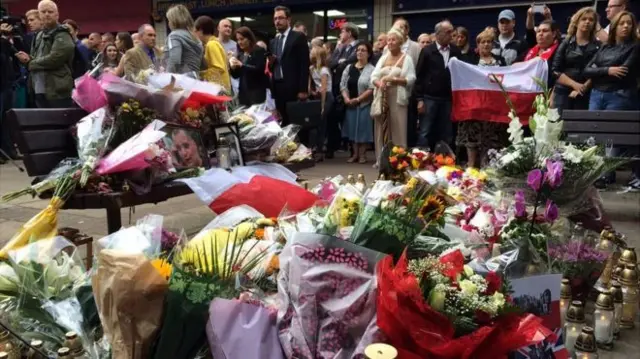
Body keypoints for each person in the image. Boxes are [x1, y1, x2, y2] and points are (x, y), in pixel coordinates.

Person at [456, 30, 508, 168]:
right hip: (475, 105)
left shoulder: (500, 61)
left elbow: (505, 79)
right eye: (483, 42)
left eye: (489, 42)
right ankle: (471, 166)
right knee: (472, 137)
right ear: (478, 44)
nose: (486, 44)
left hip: (493, 106)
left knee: (490, 138)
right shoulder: (469, 60)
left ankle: (487, 166)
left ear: (493, 44)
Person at [15, 0, 75, 108]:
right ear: (39, 14)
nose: (46, 14)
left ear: (57, 15)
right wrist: (27, 58)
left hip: (57, 90)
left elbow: (55, 59)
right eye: (43, 12)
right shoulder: (39, 35)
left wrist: (30, 63)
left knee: (59, 123)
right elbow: (38, 59)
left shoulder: (62, 33)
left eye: (50, 11)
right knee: (43, 123)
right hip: (38, 88)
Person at [371, 27, 416, 164]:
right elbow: (374, 76)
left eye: (393, 40)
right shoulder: (383, 58)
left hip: (398, 96)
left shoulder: (407, 58)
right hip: (382, 95)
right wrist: (379, 83)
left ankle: (400, 159)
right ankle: (382, 158)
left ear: (400, 42)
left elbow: (411, 78)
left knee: (398, 127)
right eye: (388, 40)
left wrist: (394, 80)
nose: (390, 42)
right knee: (381, 128)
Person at [415, 20, 461, 149]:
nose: (452, 35)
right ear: (438, 34)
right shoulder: (428, 51)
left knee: (447, 131)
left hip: (448, 98)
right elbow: (419, 76)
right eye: (448, 32)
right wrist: (419, 99)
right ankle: (421, 157)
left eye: (452, 31)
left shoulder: (456, 51)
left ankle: (446, 158)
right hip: (429, 97)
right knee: (425, 130)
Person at [584, 11, 638, 111]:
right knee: (592, 125)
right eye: (621, 23)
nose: (626, 26)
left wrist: (597, 72)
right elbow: (587, 70)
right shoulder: (605, 46)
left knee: (610, 126)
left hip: (619, 95)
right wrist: (608, 70)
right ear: (614, 26)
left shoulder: (635, 46)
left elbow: (622, 73)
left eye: (629, 23)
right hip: (596, 94)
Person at [551, 7, 600, 113]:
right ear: (577, 22)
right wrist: (574, 85)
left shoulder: (598, 46)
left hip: (585, 92)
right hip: (562, 91)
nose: (587, 22)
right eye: (584, 19)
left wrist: (582, 88)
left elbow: (598, 70)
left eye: (591, 20)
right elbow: (555, 70)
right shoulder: (565, 43)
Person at [268, 6, 309, 125]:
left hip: (294, 88)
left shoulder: (298, 37)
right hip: (278, 88)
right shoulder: (273, 41)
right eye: (275, 18)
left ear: (288, 20)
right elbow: (273, 67)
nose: (277, 21)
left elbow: (304, 64)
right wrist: (270, 63)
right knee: (283, 124)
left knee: (296, 123)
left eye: (280, 18)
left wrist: (303, 89)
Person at [327, 22, 360, 158]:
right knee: (333, 117)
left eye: (342, 31)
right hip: (337, 86)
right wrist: (338, 50)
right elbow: (331, 63)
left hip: (351, 87)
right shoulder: (341, 47)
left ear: (349, 33)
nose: (340, 34)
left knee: (350, 118)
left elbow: (346, 64)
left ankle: (354, 150)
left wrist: (341, 63)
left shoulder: (358, 46)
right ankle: (333, 146)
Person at [341, 42, 375, 164]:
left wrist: (358, 99)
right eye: (358, 50)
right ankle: (354, 154)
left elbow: (371, 88)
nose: (359, 52)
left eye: (363, 50)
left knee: (363, 130)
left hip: (364, 104)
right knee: (352, 129)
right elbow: (343, 85)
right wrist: (346, 98)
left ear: (369, 54)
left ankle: (362, 154)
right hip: (350, 104)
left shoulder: (372, 69)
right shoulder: (349, 68)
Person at [229, 26, 268, 107]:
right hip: (243, 96)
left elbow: (259, 70)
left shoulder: (259, 51)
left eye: (242, 39)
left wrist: (242, 65)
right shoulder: (240, 54)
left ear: (249, 39)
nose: (239, 42)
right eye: (238, 40)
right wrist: (232, 67)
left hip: (256, 95)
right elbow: (236, 75)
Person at [308, 45, 333, 161]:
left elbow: (324, 88)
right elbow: (311, 87)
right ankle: (314, 147)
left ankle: (319, 150)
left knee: (321, 122)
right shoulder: (312, 69)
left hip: (326, 97)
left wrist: (322, 106)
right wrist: (312, 92)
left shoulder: (323, 70)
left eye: (312, 52)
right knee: (315, 123)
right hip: (317, 96)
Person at [165, 4, 203, 76]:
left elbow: (174, 60)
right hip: (195, 79)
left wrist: (167, 79)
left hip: (181, 81)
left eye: (169, 20)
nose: (168, 23)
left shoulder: (174, 36)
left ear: (174, 20)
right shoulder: (194, 37)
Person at [195, 16, 231, 91]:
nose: (195, 34)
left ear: (201, 31)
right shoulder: (213, 43)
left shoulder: (211, 44)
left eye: (196, 31)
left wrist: (201, 74)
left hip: (220, 90)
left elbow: (218, 68)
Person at [523, 19, 561, 89]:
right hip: (527, 89)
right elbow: (514, 65)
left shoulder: (559, 50)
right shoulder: (530, 51)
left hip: (549, 92)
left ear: (553, 34)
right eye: (538, 31)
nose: (540, 34)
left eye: (545, 31)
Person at [218, 18, 238, 94]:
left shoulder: (236, 45)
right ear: (218, 28)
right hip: (217, 81)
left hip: (232, 82)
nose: (228, 28)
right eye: (225, 26)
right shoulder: (212, 43)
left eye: (230, 27)